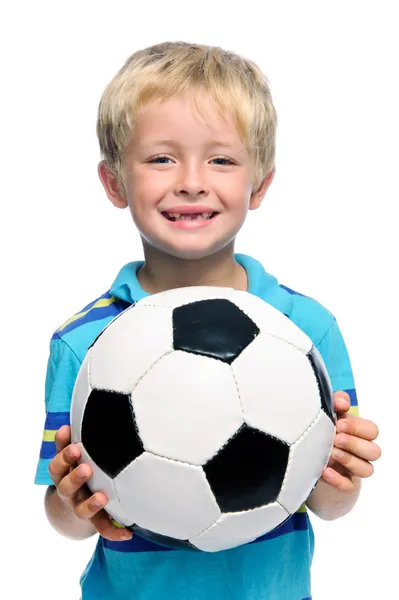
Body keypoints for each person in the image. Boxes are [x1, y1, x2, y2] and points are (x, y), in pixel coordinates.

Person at [34, 41, 381, 600]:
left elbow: (330, 505)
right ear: (115, 182)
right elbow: (62, 516)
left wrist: (343, 473)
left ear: (260, 184)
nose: (191, 181)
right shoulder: (84, 342)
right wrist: (74, 503)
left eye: (221, 159)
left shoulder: (305, 330)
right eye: (161, 157)